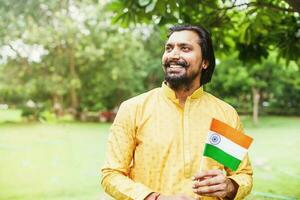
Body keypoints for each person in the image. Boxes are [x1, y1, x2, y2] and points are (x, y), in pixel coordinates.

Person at [101, 25, 253, 200]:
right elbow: (111, 174)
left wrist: (230, 186)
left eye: (185, 48)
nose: (173, 55)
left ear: (205, 62)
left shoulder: (224, 113)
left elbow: (243, 175)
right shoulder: (134, 109)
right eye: (169, 48)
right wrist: (155, 198)